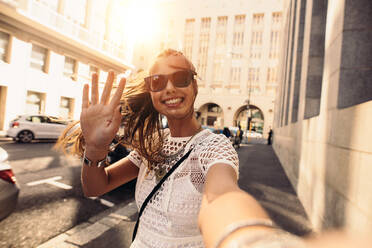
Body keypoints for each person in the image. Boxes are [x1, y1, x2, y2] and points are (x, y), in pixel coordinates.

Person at [57, 49, 309, 248]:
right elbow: (95, 187)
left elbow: (221, 197)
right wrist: (95, 146)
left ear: (194, 86)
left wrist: (249, 238)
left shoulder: (214, 147)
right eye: (158, 81)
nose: (169, 88)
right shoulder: (152, 142)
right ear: (151, 92)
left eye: (180, 78)